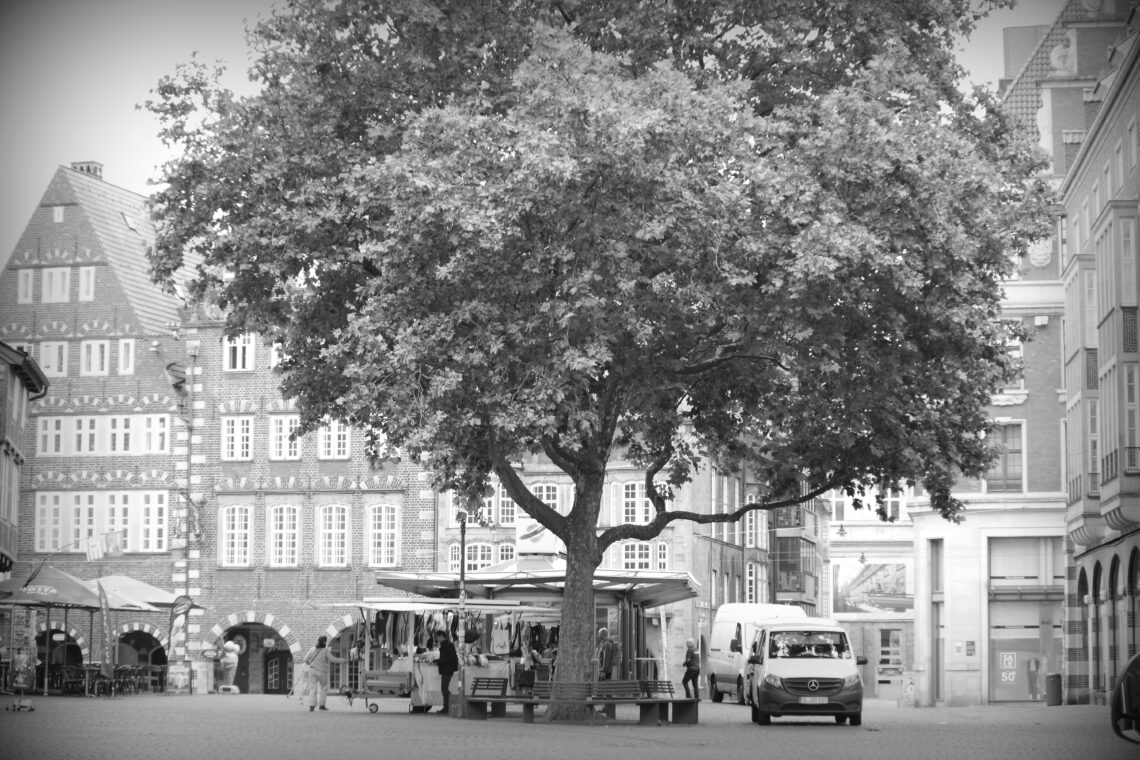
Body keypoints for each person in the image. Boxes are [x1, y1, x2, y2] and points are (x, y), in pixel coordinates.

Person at [303, 635, 345, 712]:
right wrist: (343, 660)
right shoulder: (325, 650)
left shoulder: (312, 649)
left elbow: (305, 659)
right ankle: (322, 705)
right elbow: (333, 659)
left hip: (312, 670)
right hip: (322, 671)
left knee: (312, 688)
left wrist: (310, 664)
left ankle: (312, 706)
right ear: (325, 642)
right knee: (324, 688)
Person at [434, 630, 458, 715]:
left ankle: (449, 706)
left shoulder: (448, 645)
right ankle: (449, 706)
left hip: (448, 669)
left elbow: (451, 657)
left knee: (444, 688)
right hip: (446, 669)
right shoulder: (446, 645)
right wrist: (438, 661)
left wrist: (439, 662)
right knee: (444, 688)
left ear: (441, 636)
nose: (437, 639)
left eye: (437, 637)